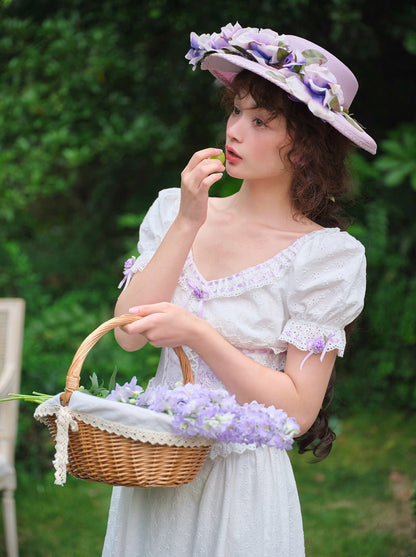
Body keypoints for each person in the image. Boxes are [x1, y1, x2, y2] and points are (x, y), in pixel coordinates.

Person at [102, 23, 376, 557]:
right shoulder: (173, 210)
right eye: (236, 111)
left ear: (304, 148)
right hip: (156, 465)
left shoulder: (327, 258)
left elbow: (297, 412)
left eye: (260, 121)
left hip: (242, 484)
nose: (236, 131)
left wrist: (200, 335)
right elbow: (129, 334)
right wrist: (187, 222)